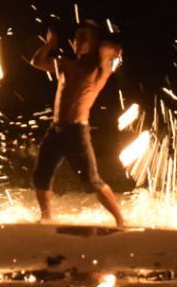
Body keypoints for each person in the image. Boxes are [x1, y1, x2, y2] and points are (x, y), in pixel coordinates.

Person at [29, 20, 126, 227]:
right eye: (75, 38)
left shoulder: (99, 68)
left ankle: (120, 220)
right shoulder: (64, 63)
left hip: (77, 131)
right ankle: (46, 217)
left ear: (94, 43)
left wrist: (98, 35)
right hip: (55, 130)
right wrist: (49, 44)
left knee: (91, 181)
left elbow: (113, 49)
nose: (76, 42)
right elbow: (36, 62)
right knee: (41, 176)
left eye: (83, 39)